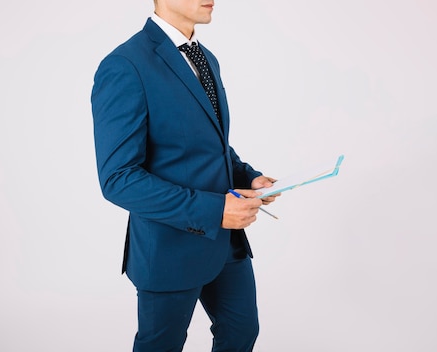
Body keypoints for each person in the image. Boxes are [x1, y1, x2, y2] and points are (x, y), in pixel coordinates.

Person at [91, 1, 280, 351]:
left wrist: (248, 177)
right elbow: (118, 178)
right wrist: (213, 210)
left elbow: (210, 143)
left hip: (225, 244)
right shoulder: (125, 66)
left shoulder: (205, 57)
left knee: (241, 333)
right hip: (168, 248)